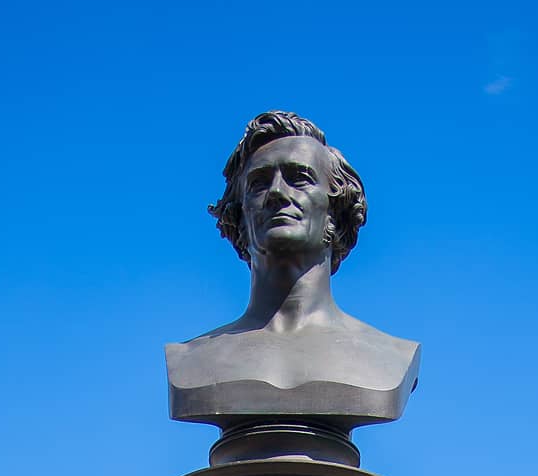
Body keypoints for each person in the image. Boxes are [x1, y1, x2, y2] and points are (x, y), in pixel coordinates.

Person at [166, 111, 419, 427]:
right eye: (258, 183)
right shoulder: (189, 359)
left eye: (299, 177)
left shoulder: (390, 356)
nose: (276, 192)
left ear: (336, 209)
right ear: (239, 213)